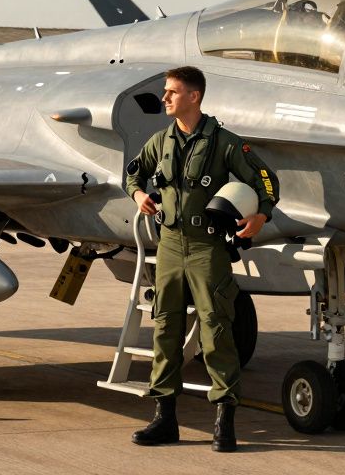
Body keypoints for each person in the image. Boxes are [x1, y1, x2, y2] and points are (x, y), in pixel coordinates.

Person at [124, 65, 279, 452]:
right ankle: (165, 419)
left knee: (216, 331)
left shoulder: (224, 143)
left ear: (193, 97)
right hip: (169, 247)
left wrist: (261, 215)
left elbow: (265, 180)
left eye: (172, 92)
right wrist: (138, 195)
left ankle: (224, 421)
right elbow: (134, 174)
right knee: (165, 330)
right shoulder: (160, 141)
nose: (164, 98)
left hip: (207, 249)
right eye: (166, 91)